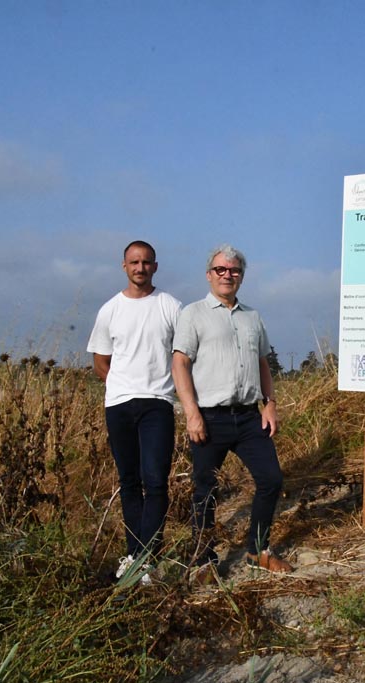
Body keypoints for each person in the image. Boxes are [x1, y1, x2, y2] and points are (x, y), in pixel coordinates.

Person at [172, 244, 292, 574]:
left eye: (234, 270)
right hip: (209, 418)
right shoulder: (193, 314)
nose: (227, 275)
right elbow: (180, 363)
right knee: (205, 490)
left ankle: (258, 550)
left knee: (271, 479)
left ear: (242, 276)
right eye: (220, 270)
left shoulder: (253, 317)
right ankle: (204, 561)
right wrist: (191, 413)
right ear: (209, 275)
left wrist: (270, 404)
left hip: (250, 417)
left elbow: (262, 363)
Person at [87, 240, 182, 584]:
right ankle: (134, 557)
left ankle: (146, 559)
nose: (140, 268)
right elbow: (100, 360)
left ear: (155, 266)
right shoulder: (110, 310)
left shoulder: (170, 306)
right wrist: (121, 384)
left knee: (155, 481)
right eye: (134, 262)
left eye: (146, 262)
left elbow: (185, 354)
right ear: (124, 266)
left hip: (157, 403)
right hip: (119, 405)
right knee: (129, 482)